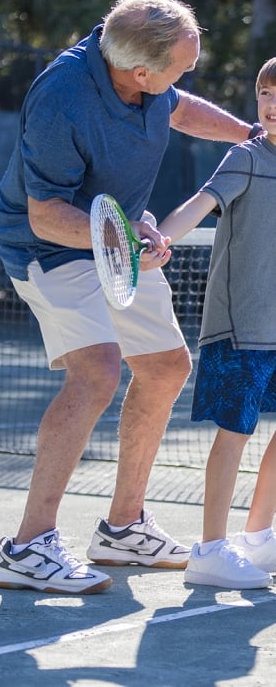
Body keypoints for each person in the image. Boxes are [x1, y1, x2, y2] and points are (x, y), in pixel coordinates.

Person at [0, 0, 263, 595]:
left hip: (115, 240)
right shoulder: (62, 99)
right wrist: (122, 234)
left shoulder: (143, 75)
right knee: (96, 372)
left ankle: (122, 528)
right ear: (139, 69)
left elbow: (180, 107)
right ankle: (27, 547)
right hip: (49, 245)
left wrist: (254, 137)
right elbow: (45, 215)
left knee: (166, 368)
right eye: (181, 65)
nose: (188, 72)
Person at [158, 56, 276, 589]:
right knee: (235, 434)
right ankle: (209, 550)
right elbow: (198, 204)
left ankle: (258, 538)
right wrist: (161, 237)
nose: (271, 106)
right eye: (266, 95)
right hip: (241, 327)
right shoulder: (245, 158)